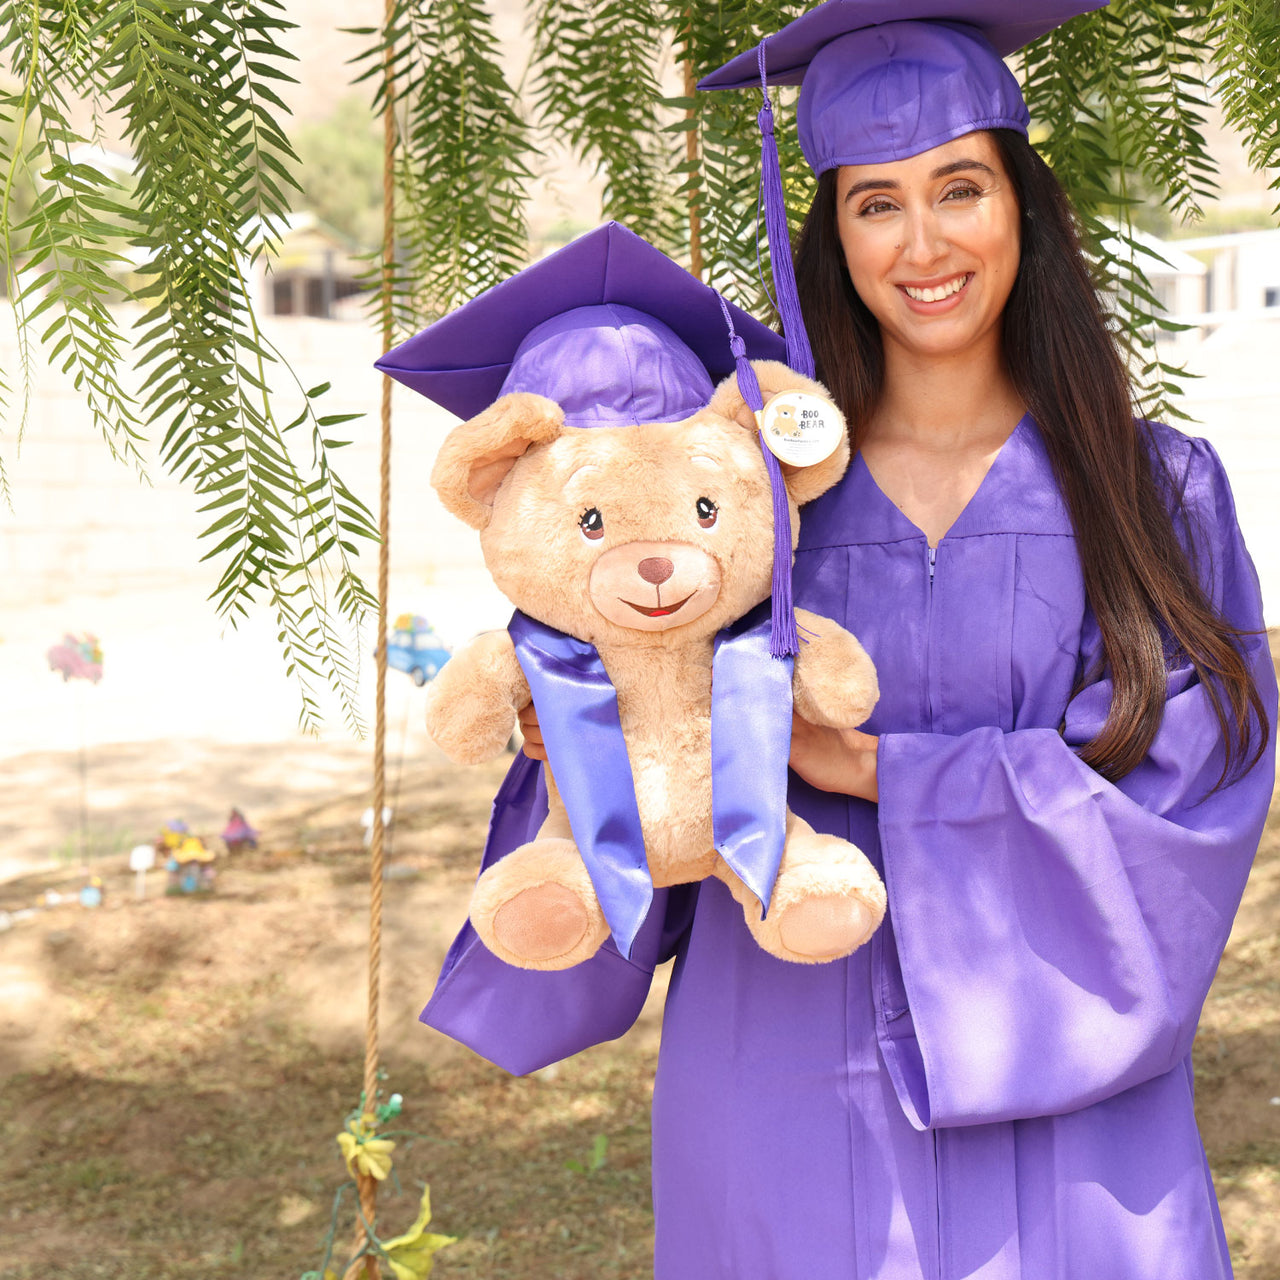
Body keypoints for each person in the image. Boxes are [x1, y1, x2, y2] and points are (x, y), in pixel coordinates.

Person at [420, 3, 1279, 1277]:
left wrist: (884, 772)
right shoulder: (746, 507)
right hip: (776, 1080)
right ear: (830, 231)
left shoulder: (1148, 487)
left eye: (958, 188)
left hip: (1065, 1116)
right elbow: (634, 816)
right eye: (874, 202)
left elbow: (1187, 800)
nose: (922, 241)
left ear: (1023, 208)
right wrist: (583, 736)